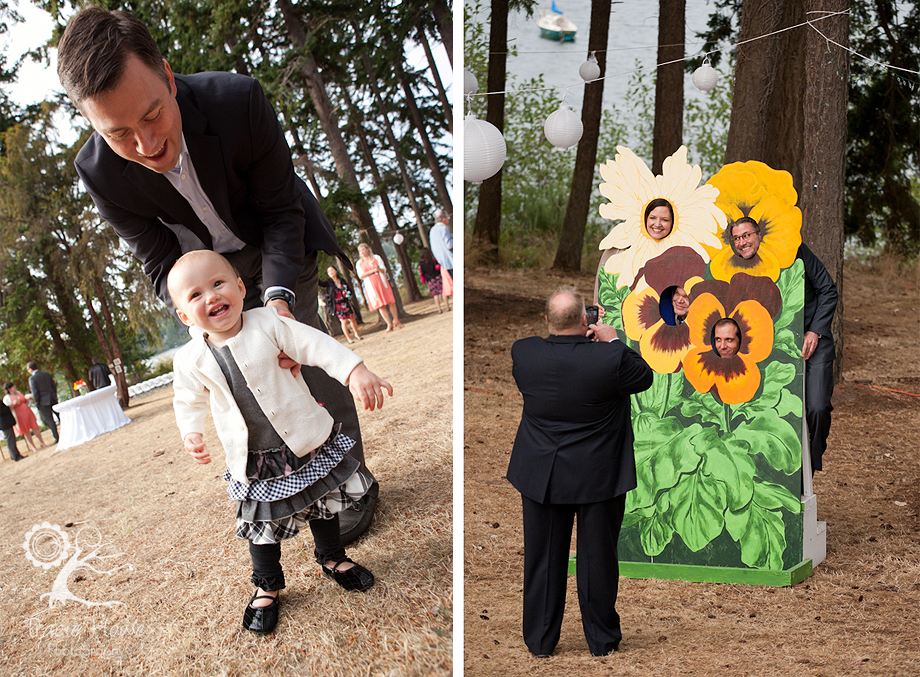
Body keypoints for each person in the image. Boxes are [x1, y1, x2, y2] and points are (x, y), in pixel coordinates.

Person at [56, 7, 376, 541]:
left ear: (166, 74)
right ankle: (290, 491)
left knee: (306, 357)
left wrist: (277, 304)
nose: (145, 145)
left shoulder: (238, 101)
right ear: (93, 125)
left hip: (275, 244)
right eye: (118, 134)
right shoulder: (98, 173)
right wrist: (196, 317)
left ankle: (351, 486)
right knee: (244, 383)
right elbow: (159, 261)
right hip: (202, 274)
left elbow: (280, 212)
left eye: (153, 115)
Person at [168, 250, 392, 634]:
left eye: (219, 283)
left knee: (321, 502)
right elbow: (186, 398)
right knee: (262, 525)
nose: (211, 296)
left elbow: (315, 345)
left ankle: (332, 557)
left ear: (240, 288)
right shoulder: (190, 359)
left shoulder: (268, 323)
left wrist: (355, 371)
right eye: (196, 295)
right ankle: (266, 586)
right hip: (254, 459)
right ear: (185, 316)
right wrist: (191, 431)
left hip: (302, 439)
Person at [507, 286, 653, 658]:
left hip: (543, 474)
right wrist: (613, 339)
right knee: (598, 560)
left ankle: (540, 640)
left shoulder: (524, 353)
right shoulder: (610, 359)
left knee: (543, 558)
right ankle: (602, 640)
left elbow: (551, 355)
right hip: (599, 475)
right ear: (586, 319)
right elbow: (644, 376)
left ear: (547, 320)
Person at [729, 217, 838, 473]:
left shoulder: (795, 250)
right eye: (737, 238)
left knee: (818, 408)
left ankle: (809, 469)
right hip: (774, 351)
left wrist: (815, 331)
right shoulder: (736, 268)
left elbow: (828, 290)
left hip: (813, 344)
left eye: (747, 235)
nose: (742, 242)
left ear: (759, 234)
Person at [355, 243, 402, 332]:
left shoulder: (376, 258)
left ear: (367, 249)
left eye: (363, 249)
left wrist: (378, 269)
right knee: (380, 305)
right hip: (371, 285)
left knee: (390, 301)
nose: (362, 252)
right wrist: (372, 271)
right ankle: (389, 323)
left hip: (381, 281)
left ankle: (396, 319)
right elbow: (361, 275)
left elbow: (384, 269)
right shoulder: (359, 263)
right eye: (360, 251)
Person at [319, 267, 363, 344]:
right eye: (329, 271)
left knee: (352, 319)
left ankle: (357, 334)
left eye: (332, 270)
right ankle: (348, 338)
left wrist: (348, 294)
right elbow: (320, 283)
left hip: (345, 302)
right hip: (337, 305)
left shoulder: (342, 280)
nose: (331, 272)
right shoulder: (328, 282)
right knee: (344, 321)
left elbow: (349, 290)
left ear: (336, 271)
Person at [3, 383, 47, 453]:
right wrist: (13, 404)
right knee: (26, 431)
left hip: (27, 411)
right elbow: (7, 409)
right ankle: (33, 446)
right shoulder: (7, 398)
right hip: (18, 415)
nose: (15, 387)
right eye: (13, 386)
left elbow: (24, 400)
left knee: (35, 426)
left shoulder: (18, 393)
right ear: (9, 389)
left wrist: (27, 399)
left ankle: (41, 442)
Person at [26, 363, 58, 444]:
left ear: (30, 369)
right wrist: (54, 395)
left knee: (50, 420)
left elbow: (35, 392)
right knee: (60, 415)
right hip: (52, 398)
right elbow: (54, 386)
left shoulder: (32, 379)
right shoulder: (46, 374)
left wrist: (37, 403)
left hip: (43, 402)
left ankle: (57, 437)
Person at [419, 247, 450, 313]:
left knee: (435, 295)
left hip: (430, 280)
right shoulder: (433, 259)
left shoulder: (422, 263)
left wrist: (423, 280)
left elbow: (422, 272)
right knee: (443, 292)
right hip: (438, 277)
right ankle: (447, 307)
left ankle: (439, 309)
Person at [429, 209, 454, 279]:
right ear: (443, 219)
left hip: (443, 263)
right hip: (451, 260)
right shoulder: (443, 228)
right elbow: (449, 245)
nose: (448, 219)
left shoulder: (432, 230)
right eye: (447, 217)